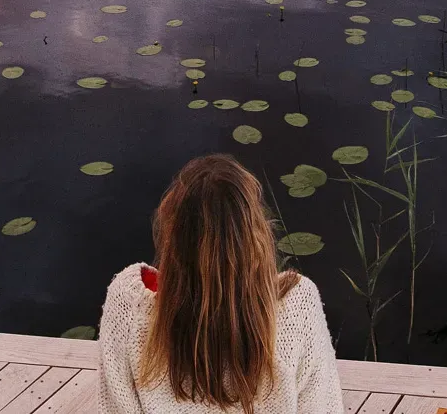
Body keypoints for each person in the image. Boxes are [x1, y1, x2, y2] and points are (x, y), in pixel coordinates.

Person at [98, 154, 343, 414]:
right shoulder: (298, 304)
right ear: (256, 235)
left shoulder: (129, 303)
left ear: (174, 237)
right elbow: (322, 407)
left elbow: (116, 408)